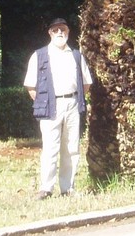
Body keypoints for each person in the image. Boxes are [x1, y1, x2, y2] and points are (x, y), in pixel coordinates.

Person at [24, 17, 92, 199]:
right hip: (50, 105)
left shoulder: (76, 55)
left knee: (71, 147)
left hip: (72, 104)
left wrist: (75, 99)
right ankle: (46, 188)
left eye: (63, 29)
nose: (60, 33)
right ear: (50, 33)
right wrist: (44, 101)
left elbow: (86, 83)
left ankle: (68, 188)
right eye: (56, 30)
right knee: (50, 147)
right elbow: (31, 87)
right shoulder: (39, 55)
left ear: (68, 32)